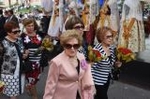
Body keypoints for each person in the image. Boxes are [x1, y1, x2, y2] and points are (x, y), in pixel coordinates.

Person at [43, 30, 95, 99]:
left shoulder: (81, 56)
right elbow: (50, 86)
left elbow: (85, 70)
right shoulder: (56, 62)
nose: (72, 49)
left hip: (80, 95)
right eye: (68, 46)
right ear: (63, 46)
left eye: (76, 46)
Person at [0, 21, 25, 99]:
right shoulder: (2, 43)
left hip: (20, 71)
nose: (17, 33)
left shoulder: (20, 40)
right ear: (8, 32)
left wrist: (24, 55)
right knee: (12, 93)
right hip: (8, 73)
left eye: (19, 31)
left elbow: (21, 52)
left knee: (15, 92)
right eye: (15, 32)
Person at [91, 27, 116, 99]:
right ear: (101, 37)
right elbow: (92, 69)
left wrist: (116, 65)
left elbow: (110, 64)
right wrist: (92, 85)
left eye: (111, 36)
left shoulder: (111, 48)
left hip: (106, 79)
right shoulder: (96, 50)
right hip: (98, 82)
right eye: (108, 36)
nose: (111, 38)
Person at [21, 18, 43, 99]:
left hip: (39, 62)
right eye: (28, 26)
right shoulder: (22, 36)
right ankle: (35, 96)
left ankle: (28, 86)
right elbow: (20, 48)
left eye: (32, 25)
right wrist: (24, 51)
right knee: (32, 80)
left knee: (36, 79)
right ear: (25, 26)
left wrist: (43, 47)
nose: (30, 27)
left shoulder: (39, 33)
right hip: (29, 63)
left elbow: (45, 42)